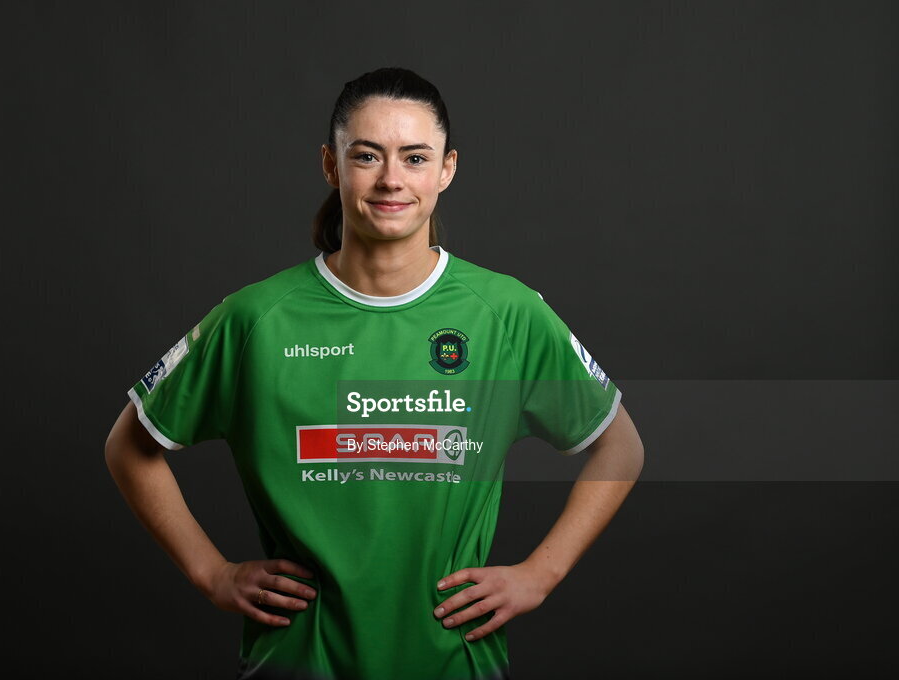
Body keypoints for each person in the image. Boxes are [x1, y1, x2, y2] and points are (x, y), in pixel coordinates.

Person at [105, 66, 644, 680]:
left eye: (415, 158)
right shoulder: (256, 319)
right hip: (295, 662)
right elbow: (129, 445)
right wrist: (212, 573)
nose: (392, 179)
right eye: (367, 156)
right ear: (332, 167)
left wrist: (540, 574)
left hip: (452, 665)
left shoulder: (507, 314)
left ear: (447, 170)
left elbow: (619, 447)